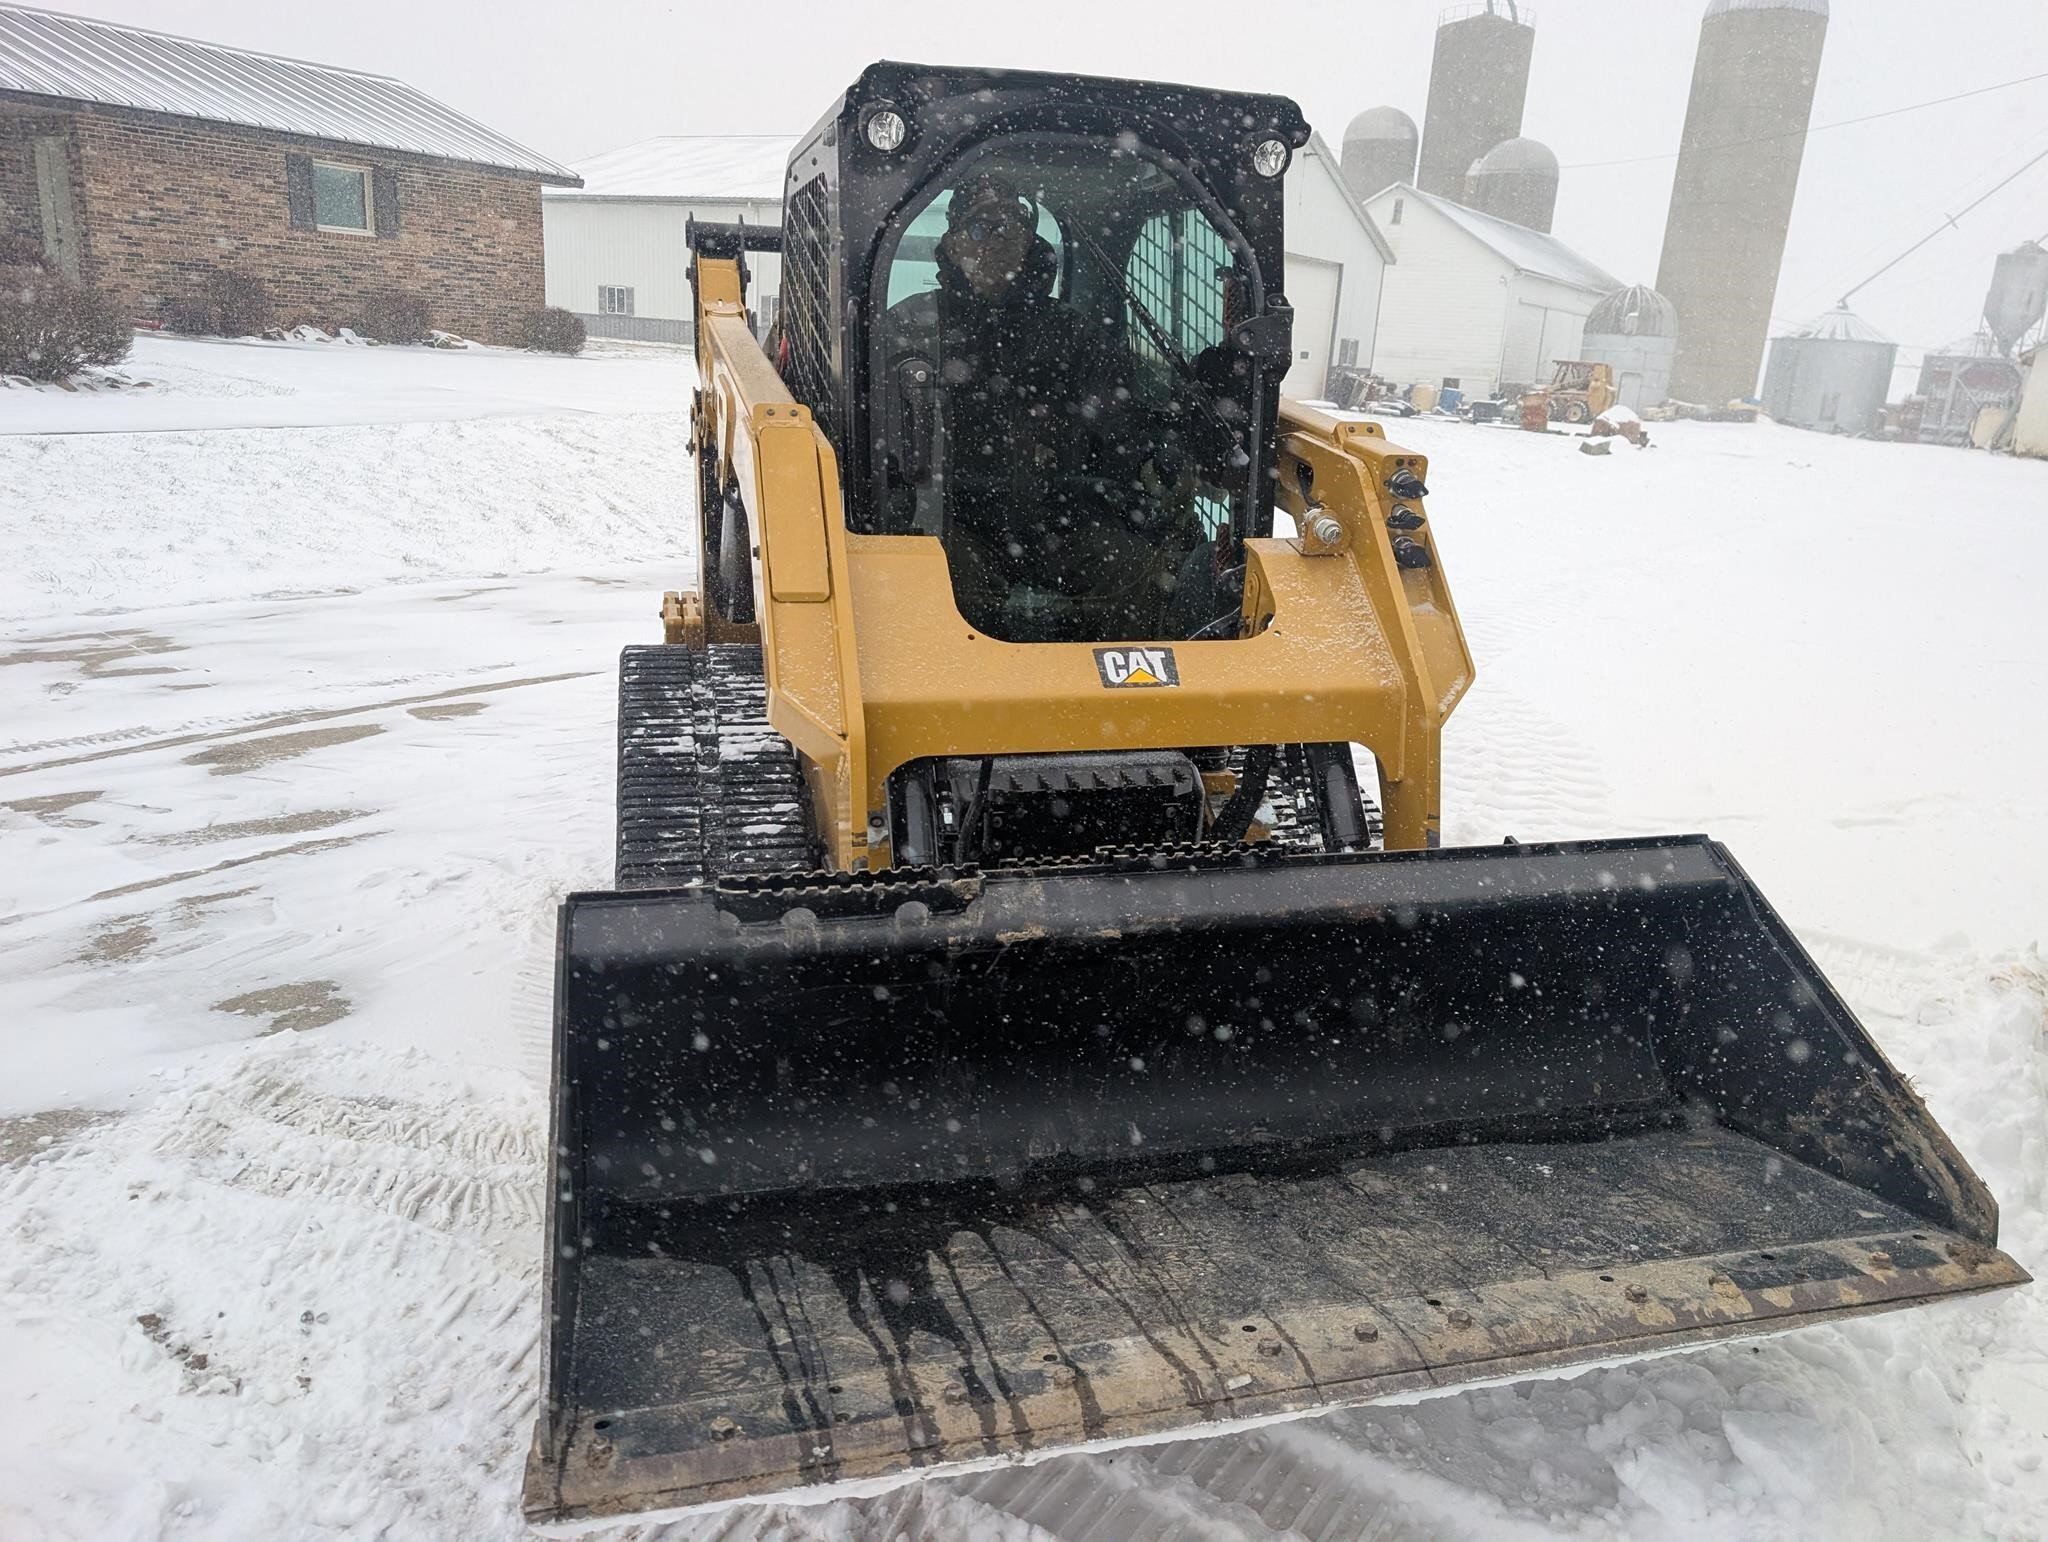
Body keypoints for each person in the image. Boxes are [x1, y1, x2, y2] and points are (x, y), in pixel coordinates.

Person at [882, 173, 1172, 640]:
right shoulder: (912, 327)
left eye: (1013, 228)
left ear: (1029, 241)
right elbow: (885, 441)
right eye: (980, 228)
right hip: (952, 519)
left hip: (1059, 517)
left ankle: (1109, 693)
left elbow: (1120, 423)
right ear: (953, 245)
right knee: (945, 583)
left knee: (1133, 571)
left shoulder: (1072, 335)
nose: (998, 241)